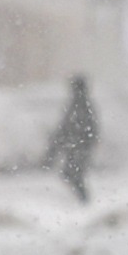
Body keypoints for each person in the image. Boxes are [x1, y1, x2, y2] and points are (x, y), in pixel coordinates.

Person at [42, 75, 98, 203]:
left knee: (71, 174)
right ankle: (82, 200)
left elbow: (71, 126)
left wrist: (62, 141)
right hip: (78, 146)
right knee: (71, 174)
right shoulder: (81, 104)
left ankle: (83, 201)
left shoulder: (79, 105)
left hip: (78, 146)